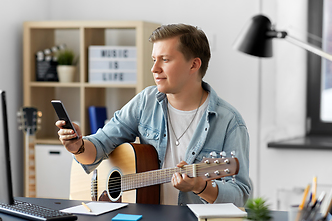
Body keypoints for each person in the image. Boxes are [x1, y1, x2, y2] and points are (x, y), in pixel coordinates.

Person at [56, 23, 251, 207]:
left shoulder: (229, 122)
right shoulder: (145, 101)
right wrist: (78, 146)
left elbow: (240, 195)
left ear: (194, 65)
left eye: (165, 59)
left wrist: (201, 186)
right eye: (154, 59)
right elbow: (101, 144)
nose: (154, 68)